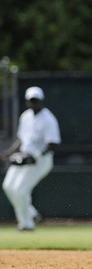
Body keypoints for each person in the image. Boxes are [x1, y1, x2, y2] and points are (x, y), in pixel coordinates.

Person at [1, 86, 61, 231]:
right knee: (8, 186)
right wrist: (9, 153)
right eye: (31, 101)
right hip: (24, 157)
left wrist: (37, 156)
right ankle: (31, 213)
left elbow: (53, 144)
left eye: (36, 101)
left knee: (21, 190)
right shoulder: (25, 116)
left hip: (40, 161)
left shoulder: (48, 119)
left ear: (41, 101)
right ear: (28, 101)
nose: (34, 104)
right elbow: (22, 140)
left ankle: (26, 224)